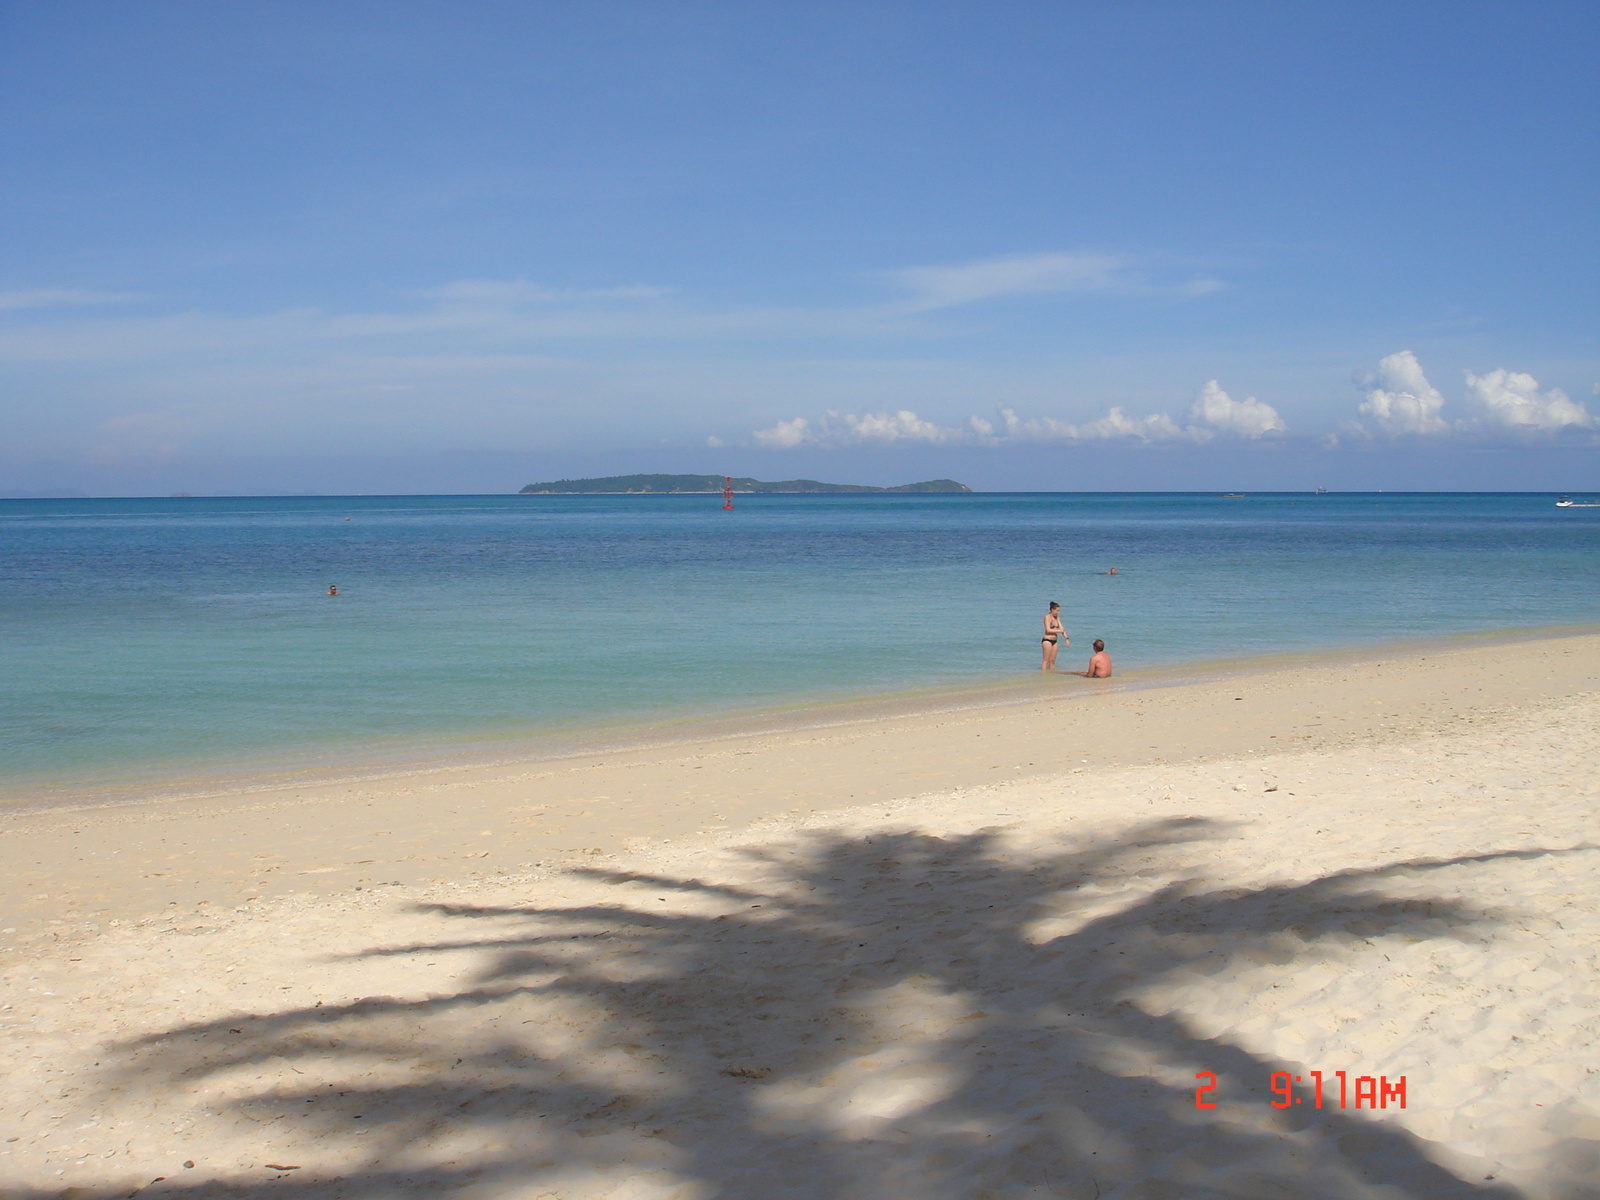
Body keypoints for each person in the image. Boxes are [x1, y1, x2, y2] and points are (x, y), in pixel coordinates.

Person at [1041, 601, 1067, 671]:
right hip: (1047, 640)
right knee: (1046, 660)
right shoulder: (1047, 617)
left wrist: (1066, 638)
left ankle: (1052, 675)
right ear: (1052, 609)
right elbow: (1048, 630)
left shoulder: (1057, 618)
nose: (1058, 612)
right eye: (1057, 611)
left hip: (1054, 641)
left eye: (1059, 611)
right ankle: (1044, 675)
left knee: (1052, 661)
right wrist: (1059, 630)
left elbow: (1062, 628)